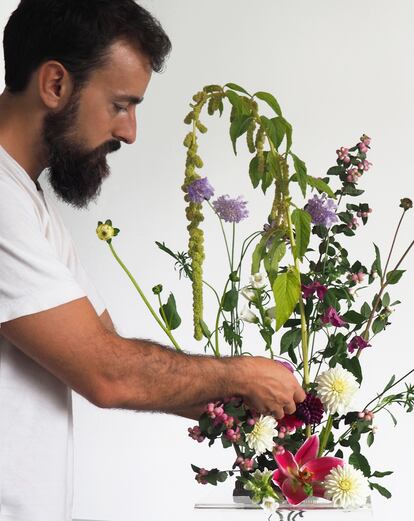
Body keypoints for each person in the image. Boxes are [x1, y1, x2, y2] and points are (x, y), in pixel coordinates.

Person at [0, 1, 306, 520]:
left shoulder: (26, 201)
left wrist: (253, 404)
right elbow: (108, 374)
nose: (130, 132)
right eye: (121, 105)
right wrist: (241, 375)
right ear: (55, 84)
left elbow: (111, 355)